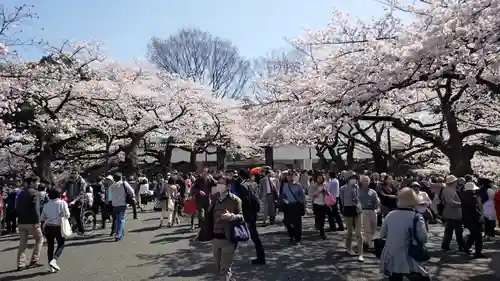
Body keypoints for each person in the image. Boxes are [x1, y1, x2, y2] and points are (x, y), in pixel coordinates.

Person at [379, 187, 430, 281]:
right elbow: (423, 237)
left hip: (391, 254)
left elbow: (382, 234)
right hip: (410, 254)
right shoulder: (416, 216)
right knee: (421, 277)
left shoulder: (390, 215)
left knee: (395, 276)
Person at [210, 175, 244, 281]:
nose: (219, 185)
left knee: (224, 270)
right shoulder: (214, 198)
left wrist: (232, 216)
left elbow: (241, 217)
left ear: (228, 186)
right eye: (218, 183)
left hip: (228, 238)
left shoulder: (235, 200)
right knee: (220, 268)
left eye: (222, 183)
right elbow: (209, 216)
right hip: (215, 238)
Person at [233, 169, 266, 265]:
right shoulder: (250, 185)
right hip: (252, 214)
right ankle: (261, 257)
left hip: (246, 215)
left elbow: (242, 202)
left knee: (235, 235)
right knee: (255, 237)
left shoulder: (242, 187)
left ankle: (227, 258)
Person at [16, 175, 44, 271]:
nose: (38, 184)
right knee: (40, 239)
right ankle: (34, 260)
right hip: (32, 221)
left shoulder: (21, 193)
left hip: (21, 221)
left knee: (22, 244)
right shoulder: (35, 193)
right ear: (32, 182)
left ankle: (21, 264)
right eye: (37, 182)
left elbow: (17, 208)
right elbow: (36, 209)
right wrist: (38, 221)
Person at [41, 188, 70, 272]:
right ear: (59, 195)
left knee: (50, 246)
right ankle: (54, 260)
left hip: (48, 227)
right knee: (61, 244)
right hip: (58, 227)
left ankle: (51, 267)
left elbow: (42, 217)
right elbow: (67, 215)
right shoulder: (62, 203)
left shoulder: (46, 205)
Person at [339, 170, 364, 262]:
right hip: (348, 209)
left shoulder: (357, 187)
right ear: (348, 179)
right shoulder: (342, 188)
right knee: (349, 232)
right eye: (352, 178)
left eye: (355, 178)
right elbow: (341, 201)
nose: (354, 180)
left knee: (359, 232)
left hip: (357, 209)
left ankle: (361, 254)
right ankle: (348, 248)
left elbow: (359, 198)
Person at [279, 171, 306, 245]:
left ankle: (298, 238)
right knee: (286, 222)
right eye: (289, 176)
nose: (290, 177)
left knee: (297, 223)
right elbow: (282, 195)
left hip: (296, 205)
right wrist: (284, 200)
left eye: (292, 176)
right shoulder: (285, 185)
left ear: (294, 177)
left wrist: (304, 206)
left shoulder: (298, 185)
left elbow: (303, 196)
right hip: (288, 206)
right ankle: (291, 235)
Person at [439, 175, 465, 252]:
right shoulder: (449, 190)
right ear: (453, 182)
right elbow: (449, 201)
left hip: (450, 213)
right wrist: (460, 204)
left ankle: (445, 245)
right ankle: (461, 245)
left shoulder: (448, 189)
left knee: (449, 230)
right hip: (453, 213)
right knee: (458, 231)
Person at [461, 182, 486, 258]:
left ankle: (466, 248)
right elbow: (474, 210)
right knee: (478, 236)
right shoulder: (473, 197)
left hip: (466, 219)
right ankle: (478, 252)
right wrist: (480, 216)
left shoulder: (463, 196)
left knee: (472, 234)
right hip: (473, 219)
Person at [109, 173, 136, 241]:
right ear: (120, 177)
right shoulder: (124, 183)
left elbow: (110, 197)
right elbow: (131, 191)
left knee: (118, 219)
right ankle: (118, 234)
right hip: (122, 203)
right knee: (121, 219)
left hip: (114, 204)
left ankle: (121, 232)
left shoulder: (111, 186)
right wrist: (132, 196)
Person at [61, 170, 87, 235]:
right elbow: (62, 190)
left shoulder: (82, 182)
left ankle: (81, 230)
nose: (73, 175)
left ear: (78, 174)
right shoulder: (68, 181)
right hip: (69, 200)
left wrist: (74, 201)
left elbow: (82, 193)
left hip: (79, 200)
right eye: (72, 173)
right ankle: (74, 226)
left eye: (75, 173)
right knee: (69, 214)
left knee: (78, 216)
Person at [358, 175, 380, 250]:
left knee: (373, 228)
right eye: (364, 181)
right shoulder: (358, 191)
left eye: (367, 181)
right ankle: (371, 245)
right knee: (367, 229)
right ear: (361, 182)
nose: (366, 183)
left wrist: (378, 208)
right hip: (363, 211)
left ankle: (366, 241)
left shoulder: (372, 191)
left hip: (373, 211)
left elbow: (377, 201)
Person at [310, 172, 328, 239]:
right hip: (316, 204)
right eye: (318, 178)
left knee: (322, 218)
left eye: (321, 178)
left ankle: (322, 231)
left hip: (324, 204)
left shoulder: (325, 185)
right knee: (318, 217)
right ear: (316, 179)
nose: (320, 179)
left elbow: (328, 194)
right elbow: (312, 195)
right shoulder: (314, 185)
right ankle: (318, 226)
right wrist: (319, 191)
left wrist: (325, 190)